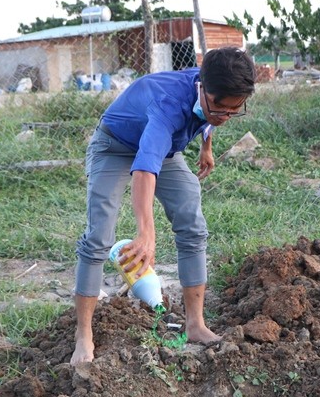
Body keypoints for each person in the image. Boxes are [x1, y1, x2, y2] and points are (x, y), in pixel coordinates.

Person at [71, 46, 256, 366]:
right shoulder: (168, 105)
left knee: (193, 225)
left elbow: (209, 117)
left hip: (166, 150)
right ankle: (83, 336)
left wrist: (206, 146)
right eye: (220, 108)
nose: (225, 116)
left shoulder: (213, 90)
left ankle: (195, 325)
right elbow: (144, 170)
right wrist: (146, 233)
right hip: (115, 146)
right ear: (203, 88)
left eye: (234, 110)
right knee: (99, 237)